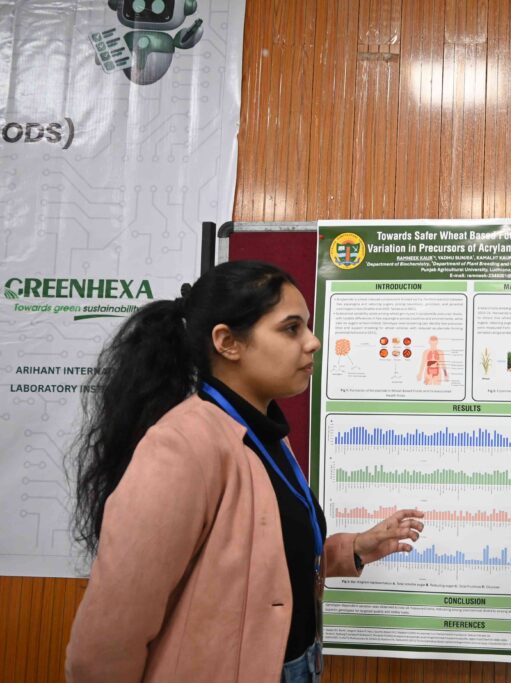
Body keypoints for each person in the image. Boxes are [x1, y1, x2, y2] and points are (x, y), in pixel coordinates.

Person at [65, 260, 424, 683]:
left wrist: (355, 549)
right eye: (291, 328)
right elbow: (104, 642)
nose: (313, 342)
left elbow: (257, 566)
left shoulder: (263, 434)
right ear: (228, 342)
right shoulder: (181, 446)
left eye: (307, 327)